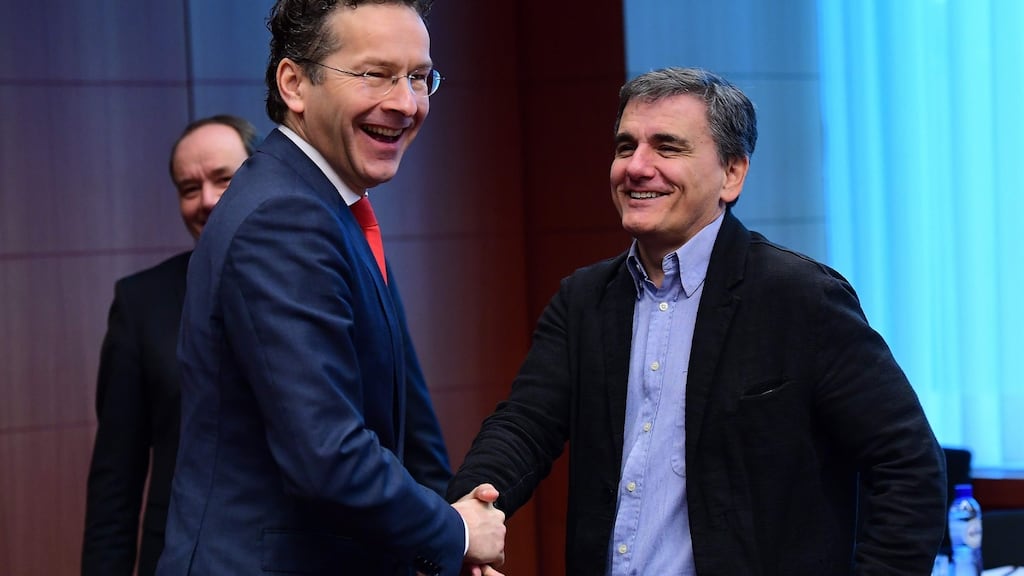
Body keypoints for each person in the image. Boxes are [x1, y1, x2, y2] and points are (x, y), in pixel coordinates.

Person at [448, 67, 947, 575]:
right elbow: (524, 427)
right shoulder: (584, 300)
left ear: (732, 174)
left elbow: (909, 465)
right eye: (625, 147)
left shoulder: (800, 298)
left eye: (667, 147)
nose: (636, 167)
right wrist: (466, 515)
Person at [155, 1, 505, 575]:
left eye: (419, 77)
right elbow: (327, 454)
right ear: (294, 84)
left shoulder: (322, 206)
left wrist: (440, 536)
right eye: (375, 74)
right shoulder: (285, 217)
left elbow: (400, 422)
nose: (406, 102)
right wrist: (456, 531)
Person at [81, 114, 258, 576]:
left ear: (259, 179)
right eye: (189, 188)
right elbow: (115, 483)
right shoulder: (141, 303)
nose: (207, 200)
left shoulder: (321, 278)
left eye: (224, 178)